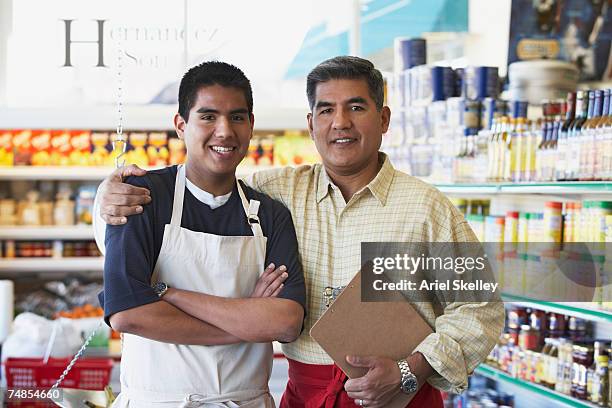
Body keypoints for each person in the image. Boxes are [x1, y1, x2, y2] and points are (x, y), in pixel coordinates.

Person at [95, 56, 505, 408]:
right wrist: (108, 195)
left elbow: (481, 311)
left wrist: (407, 371)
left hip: (397, 395)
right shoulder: (277, 191)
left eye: (356, 107)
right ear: (311, 123)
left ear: (383, 118)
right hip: (305, 394)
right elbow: (210, 180)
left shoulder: (427, 207)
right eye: (326, 110)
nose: (340, 123)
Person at [98, 61, 306, 408]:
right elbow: (128, 314)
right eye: (208, 116)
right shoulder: (141, 197)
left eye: (237, 117)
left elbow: (285, 322)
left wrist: (167, 293)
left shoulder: (269, 214)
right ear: (181, 125)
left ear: (251, 125)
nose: (224, 131)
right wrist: (245, 324)